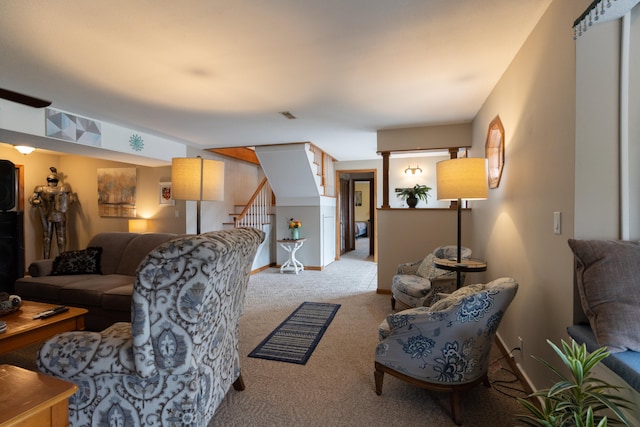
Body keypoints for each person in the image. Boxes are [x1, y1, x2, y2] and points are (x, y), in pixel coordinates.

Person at [29, 167, 74, 258]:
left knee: (59, 239)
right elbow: (32, 199)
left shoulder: (62, 188)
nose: (52, 182)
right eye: (51, 180)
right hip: (48, 214)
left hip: (57, 214)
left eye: (53, 180)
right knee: (48, 239)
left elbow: (71, 200)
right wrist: (37, 201)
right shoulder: (41, 188)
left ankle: (60, 260)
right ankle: (47, 260)